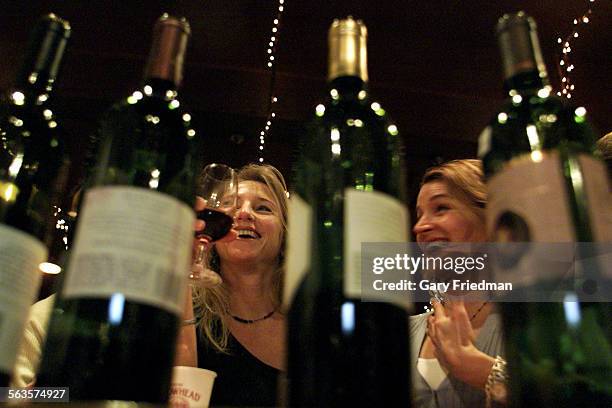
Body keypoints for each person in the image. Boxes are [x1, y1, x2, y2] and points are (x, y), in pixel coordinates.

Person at [177, 163, 288, 407]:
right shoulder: (187, 306)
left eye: (263, 208)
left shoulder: (311, 321)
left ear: (284, 236)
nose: (244, 213)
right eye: (232, 206)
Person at [410, 159, 507, 407]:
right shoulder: (404, 332)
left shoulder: (533, 323)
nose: (419, 227)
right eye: (419, 214)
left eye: (441, 208)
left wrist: (479, 369)